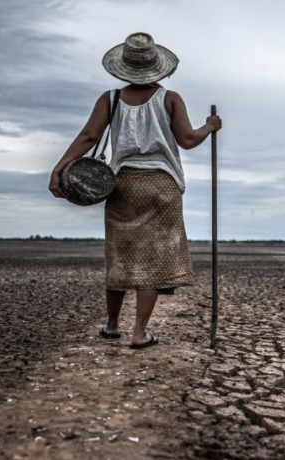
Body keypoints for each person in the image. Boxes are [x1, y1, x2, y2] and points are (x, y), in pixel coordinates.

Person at [49, 32, 221, 349]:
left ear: (124, 67)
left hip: (122, 183)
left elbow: (88, 137)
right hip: (162, 185)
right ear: (158, 67)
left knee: (120, 255)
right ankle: (139, 333)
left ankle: (112, 325)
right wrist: (209, 127)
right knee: (153, 262)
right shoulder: (169, 98)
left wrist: (60, 167)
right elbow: (187, 140)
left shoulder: (110, 99)